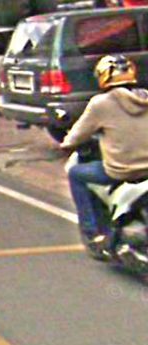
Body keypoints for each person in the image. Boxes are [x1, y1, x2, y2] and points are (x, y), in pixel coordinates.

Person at [60, 54, 148, 259]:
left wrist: (66, 144)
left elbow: (76, 135)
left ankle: (92, 232)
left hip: (120, 171)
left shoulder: (101, 104)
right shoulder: (145, 97)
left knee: (76, 174)